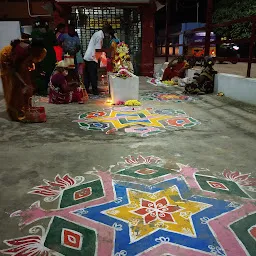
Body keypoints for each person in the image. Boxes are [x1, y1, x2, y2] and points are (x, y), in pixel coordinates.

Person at [0, 39, 47, 122]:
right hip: (7, 60)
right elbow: (14, 71)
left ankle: (26, 109)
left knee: (28, 87)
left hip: (19, 64)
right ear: (33, 48)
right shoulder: (20, 52)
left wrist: (28, 83)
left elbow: (30, 67)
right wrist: (24, 83)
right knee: (14, 86)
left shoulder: (36, 52)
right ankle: (14, 112)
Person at [83, 24, 112, 95]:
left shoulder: (98, 34)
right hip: (91, 58)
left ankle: (86, 90)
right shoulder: (99, 36)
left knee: (87, 75)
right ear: (106, 30)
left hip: (88, 56)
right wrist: (107, 51)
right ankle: (94, 91)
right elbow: (98, 49)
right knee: (93, 75)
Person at [31, 19, 57, 96]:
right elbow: (55, 42)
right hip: (48, 58)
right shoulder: (50, 34)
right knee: (46, 75)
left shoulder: (36, 34)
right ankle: (44, 90)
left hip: (43, 58)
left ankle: (42, 91)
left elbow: (33, 43)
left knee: (42, 75)